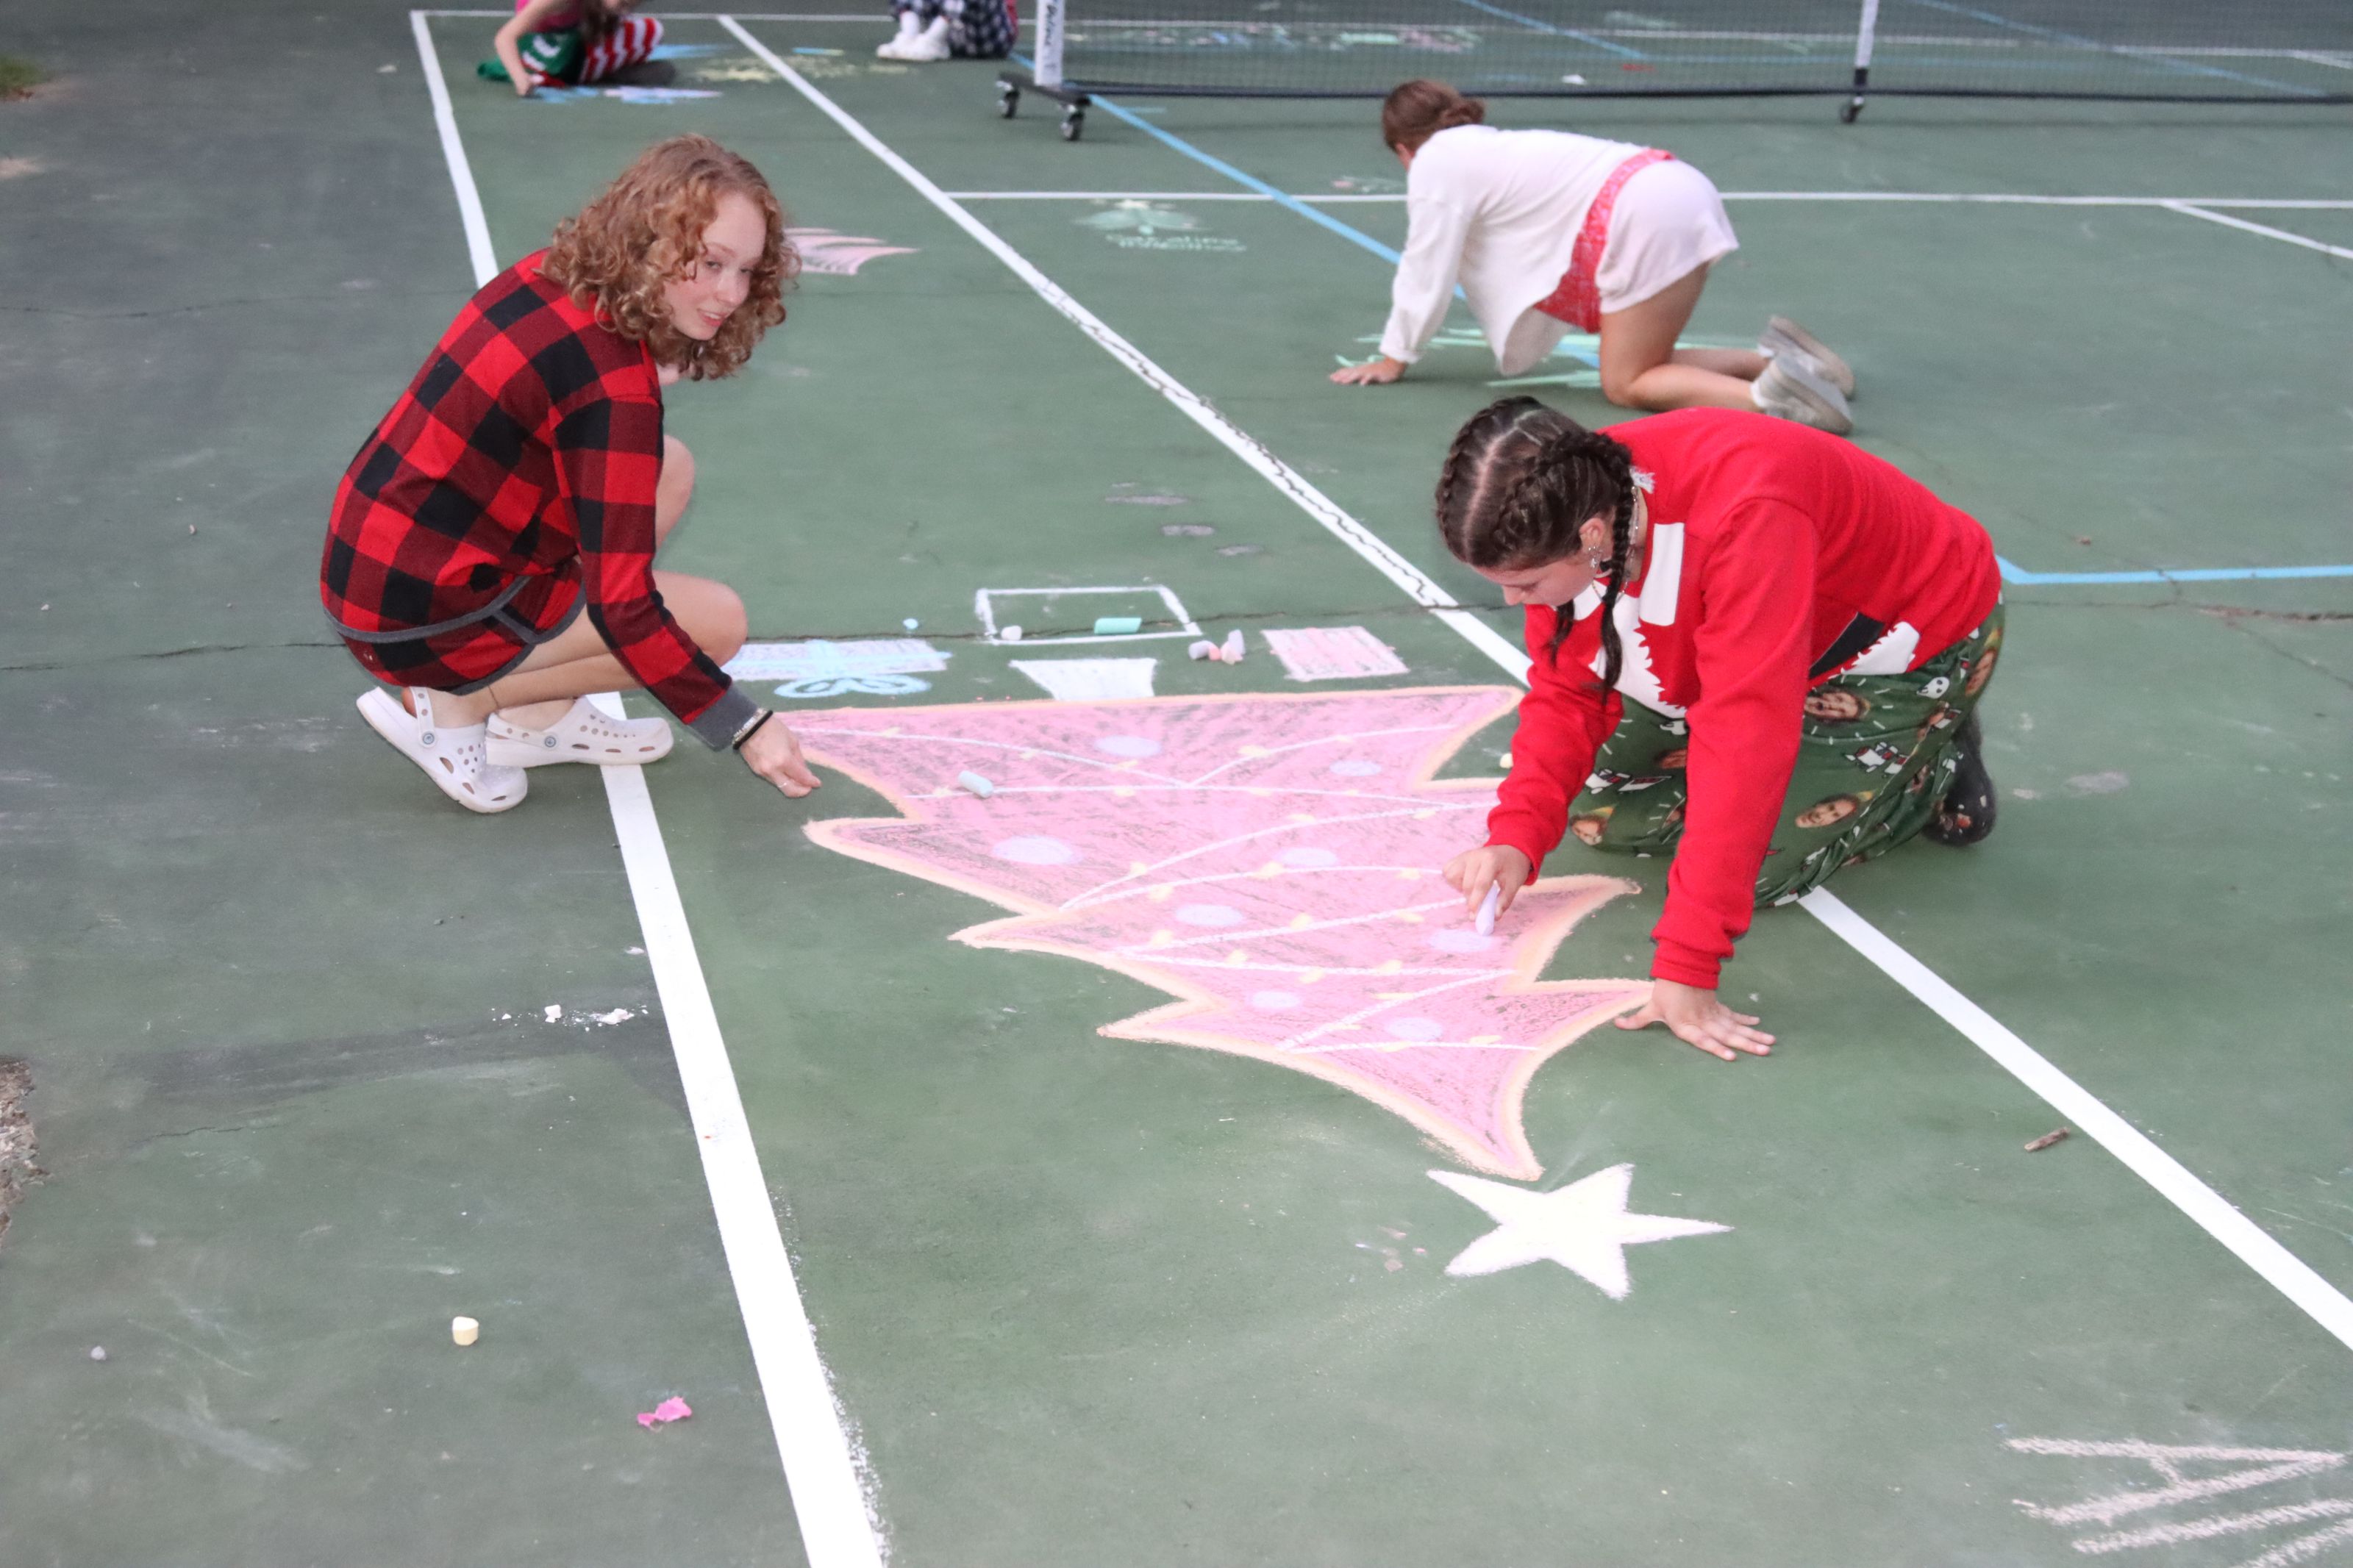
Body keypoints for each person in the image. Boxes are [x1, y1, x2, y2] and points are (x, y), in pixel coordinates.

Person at [1435, 398, 2004, 1059]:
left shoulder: (1747, 515)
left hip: (1906, 645)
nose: (1512, 601)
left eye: (1526, 584)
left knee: (1762, 868)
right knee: (1598, 816)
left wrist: (1688, 966)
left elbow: (1743, 740)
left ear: (1591, 535)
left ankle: (1928, 767)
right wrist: (1515, 835)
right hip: (1771, 634)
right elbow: (1570, 688)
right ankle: (1833, 748)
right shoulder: (1568, 494)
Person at [321, 135, 821, 814]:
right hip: (415, 619)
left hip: (376, 559)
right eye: (710, 263)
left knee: (668, 466)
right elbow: (624, 609)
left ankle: (538, 717)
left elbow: (559, 398)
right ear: (651, 241)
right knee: (717, 622)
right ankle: (457, 706)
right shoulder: (613, 391)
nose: (731, 294)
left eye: (746, 270)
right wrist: (743, 725)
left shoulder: (551, 275)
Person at [1330, 79, 1855, 434]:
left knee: (1626, 383)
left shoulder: (1434, 162)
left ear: (1404, 148)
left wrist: (1395, 357)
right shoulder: (1495, 145)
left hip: (1639, 215)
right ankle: (1786, 363)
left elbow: (1426, 266)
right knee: (1642, 361)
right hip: (1676, 185)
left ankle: (1779, 402)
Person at [484, 0, 669, 96]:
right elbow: (505, 37)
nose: (625, 12)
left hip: (564, 41)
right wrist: (519, 78)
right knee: (651, 31)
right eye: (624, 4)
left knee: (648, 32)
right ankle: (602, 72)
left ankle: (598, 68)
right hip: (538, 46)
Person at [876, 0, 1017, 62]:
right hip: (954, 34)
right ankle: (909, 37)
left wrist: (933, 37)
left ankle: (932, 42)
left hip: (984, 39)